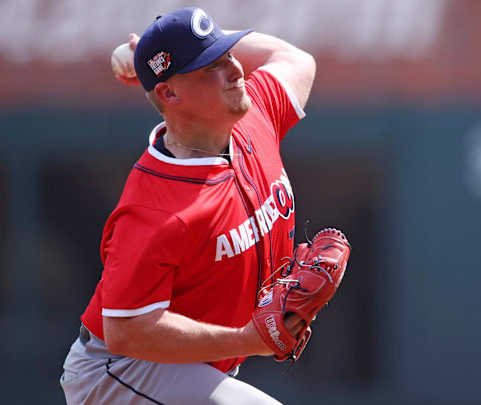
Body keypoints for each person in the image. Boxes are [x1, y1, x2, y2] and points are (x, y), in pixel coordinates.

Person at [60, 6, 315, 404]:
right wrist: (245, 338)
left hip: (194, 370)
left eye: (229, 53)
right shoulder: (154, 209)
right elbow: (127, 331)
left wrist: (159, 48)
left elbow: (296, 59)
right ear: (169, 93)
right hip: (120, 370)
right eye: (212, 64)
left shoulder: (255, 115)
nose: (235, 69)